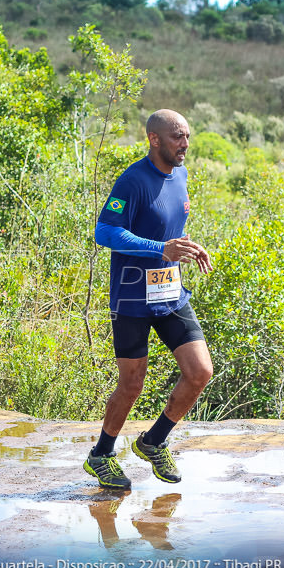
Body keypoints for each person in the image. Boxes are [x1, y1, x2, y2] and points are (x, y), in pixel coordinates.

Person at [84, 109, 214, 490]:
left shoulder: (182, 175)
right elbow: (105, 233)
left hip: (169, 291)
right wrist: (161, 247)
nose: (185, 144)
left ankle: (154, 441)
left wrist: (187, 246)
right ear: (154, 139)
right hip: (132, 298)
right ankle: (101, 455)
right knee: (132, 383)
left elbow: (170, 226)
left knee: (200, 372)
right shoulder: (132, 181)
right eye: (177, 137)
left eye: (187, 136)